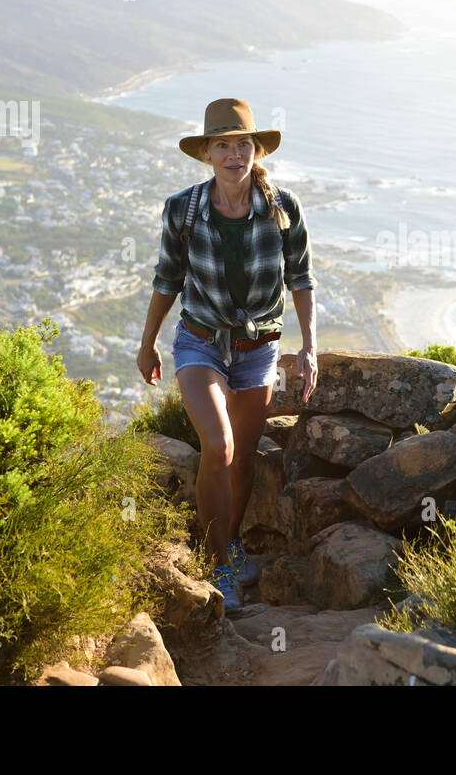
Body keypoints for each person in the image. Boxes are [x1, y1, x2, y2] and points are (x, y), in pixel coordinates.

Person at [136, 97, 318, 611]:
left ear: (256, 150)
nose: (234, 154)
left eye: (244, 144)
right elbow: (167, 279)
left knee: (243, 459)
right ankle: (219, 565)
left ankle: (230, 543)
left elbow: (301, 279)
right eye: (223, 145)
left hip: (258, 349)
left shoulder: (283, 207)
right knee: (218, 445)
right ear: (208, 154)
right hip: (200, 340)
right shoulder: (183, 209)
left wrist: (309, 346)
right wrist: (148, 341)